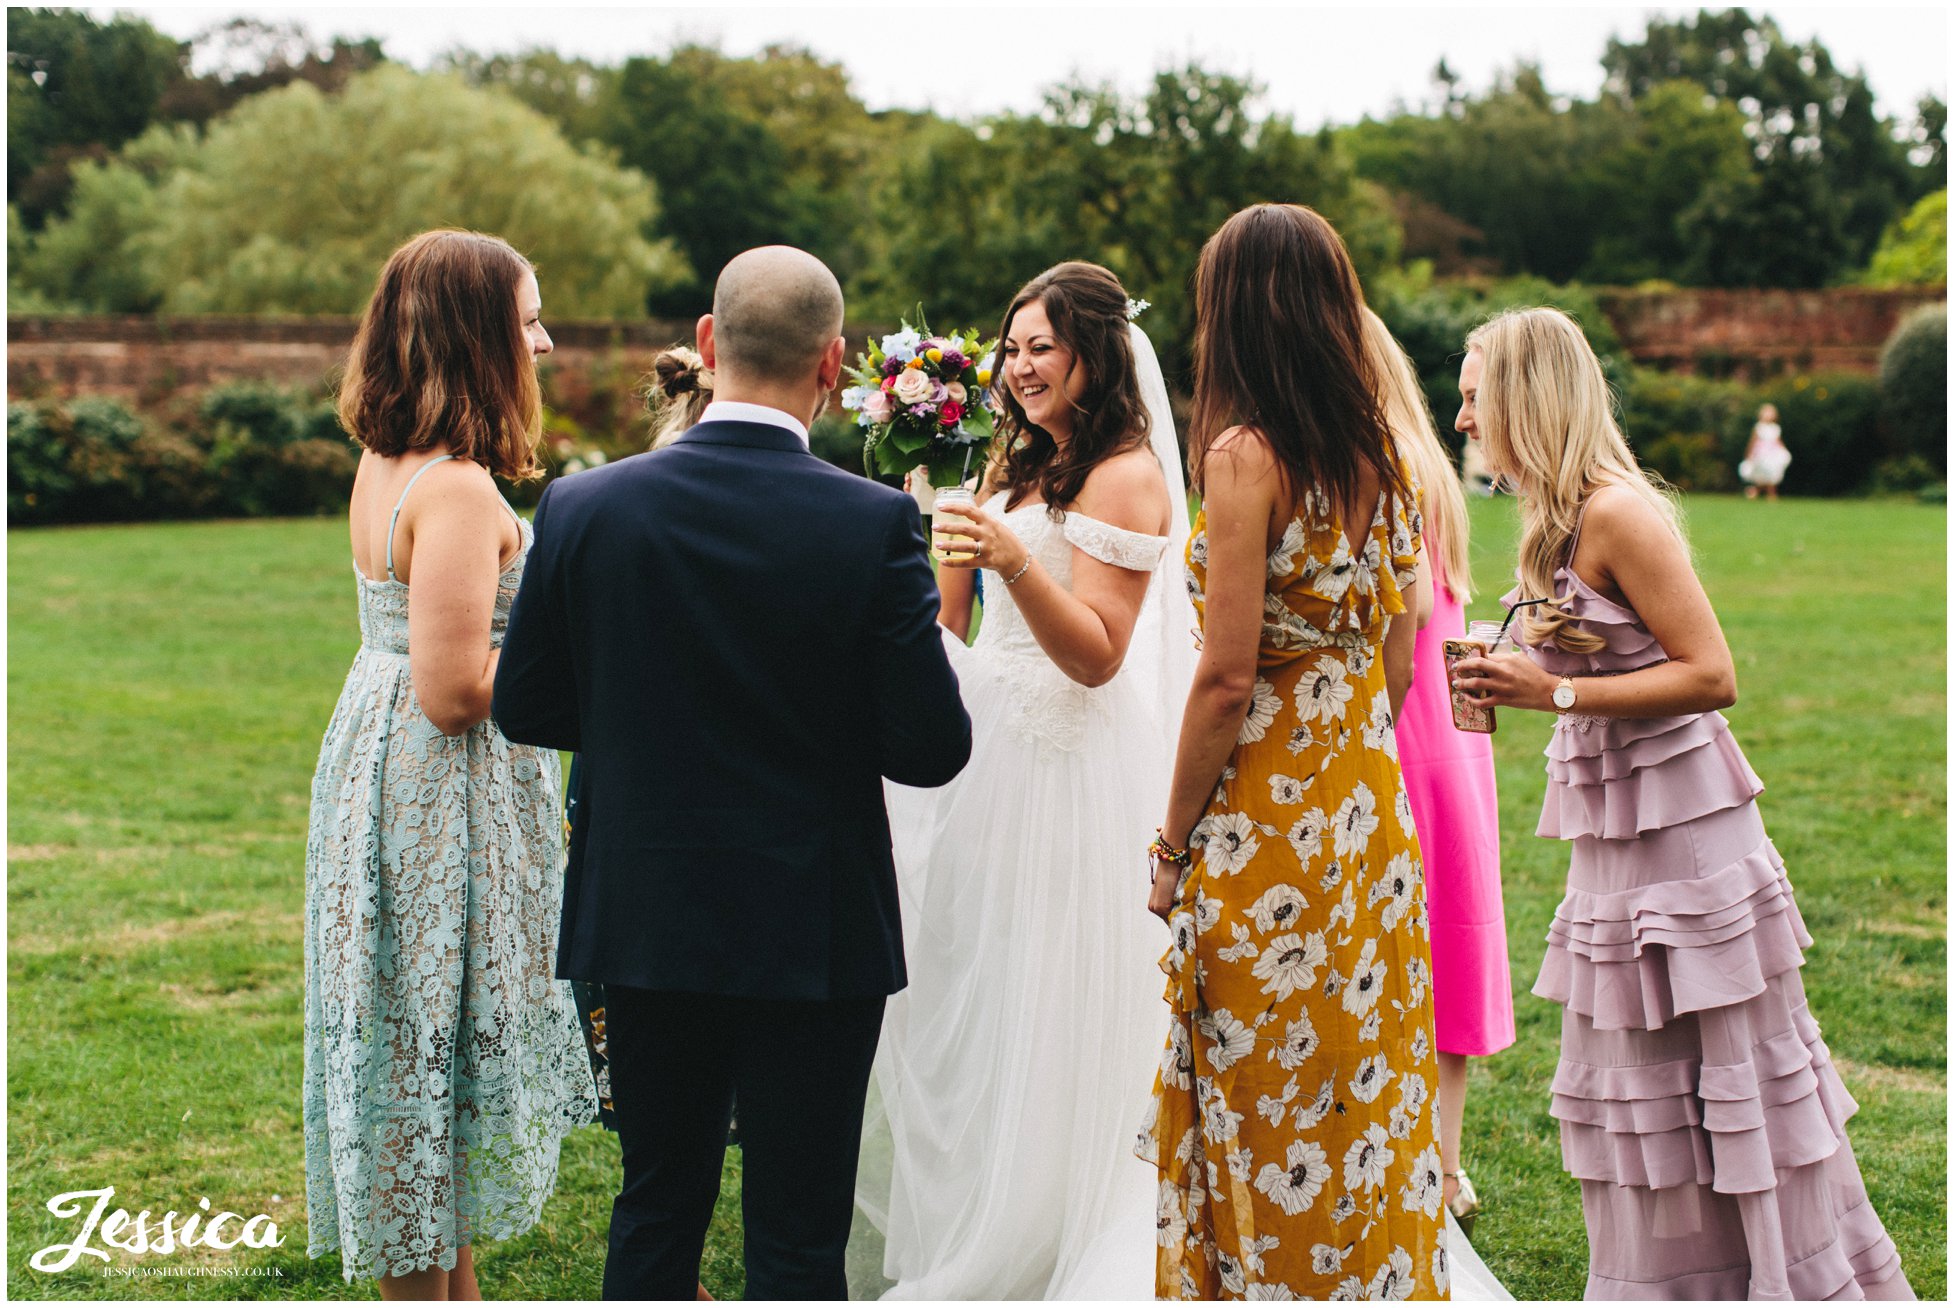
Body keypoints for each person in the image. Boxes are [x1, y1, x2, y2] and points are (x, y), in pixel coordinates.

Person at [492, 245, 972, 1300]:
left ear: (707, 346)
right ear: (832, 361)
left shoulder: (582, 507)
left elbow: (524, 704)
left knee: (657, 1208)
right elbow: (931, 747)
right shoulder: (874, 522)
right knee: (799, 1240)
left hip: (648, 915)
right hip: (815, 925)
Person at [1449, 307, 1912, 1300]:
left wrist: (1553, 691)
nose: (1459, 418)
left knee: (1732, 1086)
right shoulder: (1552, 520)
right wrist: (1509, 675)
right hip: (1614, 845)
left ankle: (1782, 1282)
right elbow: (1589, 665)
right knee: (1643, 1097)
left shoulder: (1619, 512)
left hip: (1688, 845)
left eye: (1472, 395)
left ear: (1525, 399)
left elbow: (1712, 673)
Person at [858, 262, 1195, 1300]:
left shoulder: (1127, 473)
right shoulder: (1016, 461)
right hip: (985, 753)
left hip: (1069, 773)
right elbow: (957, 625)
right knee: (973, 984)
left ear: (1094, 352)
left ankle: (1046, 1225)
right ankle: (974, 1207)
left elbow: (1095, 652)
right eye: (1012, 348)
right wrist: (951, 551)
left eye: (1041, 346)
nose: (1020, 366)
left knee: (1049, 997)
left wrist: (1010, 560)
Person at [1142, 204, 1447, 1300]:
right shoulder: (1387, 457)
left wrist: (1171, 843)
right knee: (1357, 1089)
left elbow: (1225, 679)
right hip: (1367, 818)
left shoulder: (1242, 459)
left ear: (1233, 313)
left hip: (1265, 831)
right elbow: (1399, 659)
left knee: (1265, 1088)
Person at [303, 229, 597, 1296]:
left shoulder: (386, 461)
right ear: (480, 336)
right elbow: (456, 688)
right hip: (437, 785)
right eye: (527, 318)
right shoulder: (460, 489)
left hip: (380, 758)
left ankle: (442, 1282)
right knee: (430, 1025)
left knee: (414, 1027)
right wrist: (580, 650)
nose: (544, 338)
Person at [1360, 309, 1514, 1234]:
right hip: (1454, 743)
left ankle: (1422, 1167)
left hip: (1402, 725)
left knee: (1398, 950)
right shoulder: (1426, 462)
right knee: (1444, 948)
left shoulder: (1381, 466)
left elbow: (1402, 625)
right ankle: (1444, 1168)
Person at [1740, 402, 1790, 501]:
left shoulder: (1776, 428)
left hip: (1773, 454)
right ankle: (1768, 494)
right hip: (1762, 455)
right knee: (1764, 475)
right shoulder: (1759, 427)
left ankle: (1756, 491)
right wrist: (1749, 454)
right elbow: (1753, 442)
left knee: (1772, 475)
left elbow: (1778, 441)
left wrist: (1784, 451)